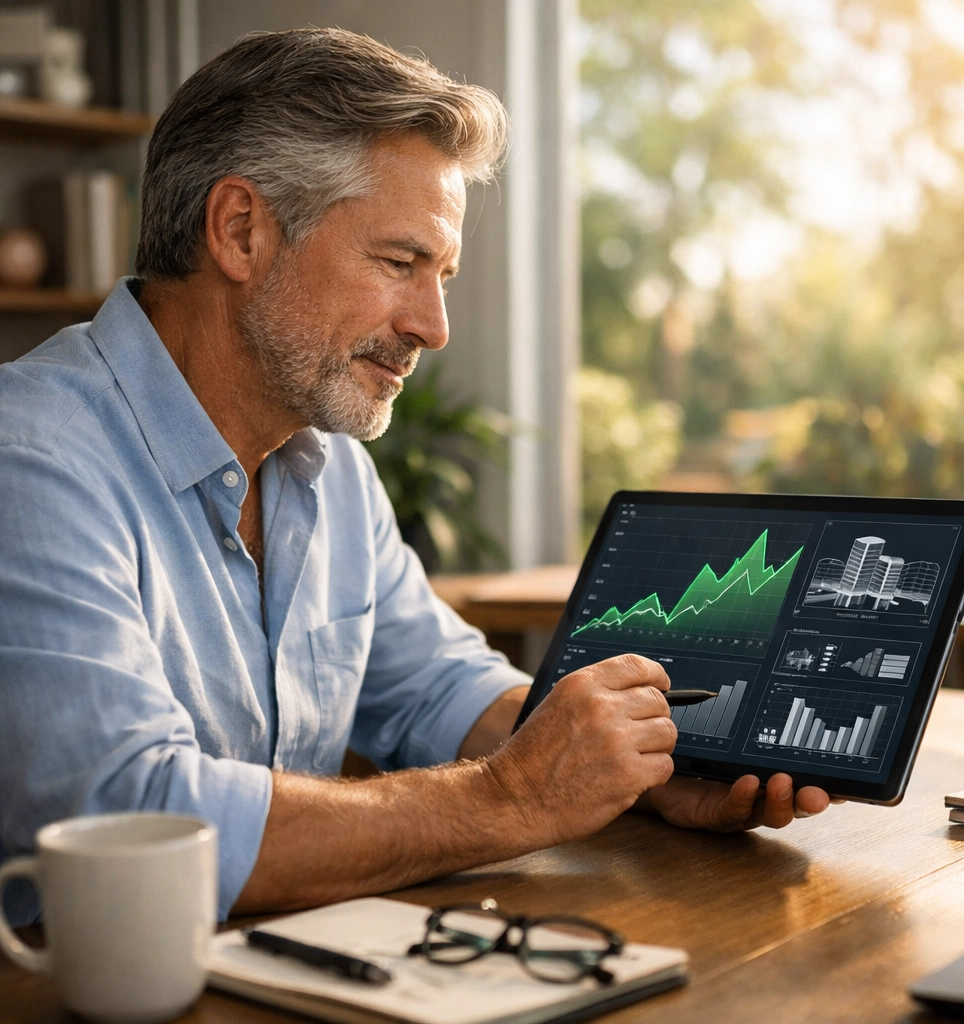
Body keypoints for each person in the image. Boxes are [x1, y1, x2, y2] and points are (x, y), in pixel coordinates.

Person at [0, 28, 830, 926]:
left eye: (443, 274)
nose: (433, 326)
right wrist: (514, 798)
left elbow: (439, 684)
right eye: (400, 263)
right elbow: (131, 821)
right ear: (240, 231)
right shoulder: (32, 459)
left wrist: (642, 772)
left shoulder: (329, 471)